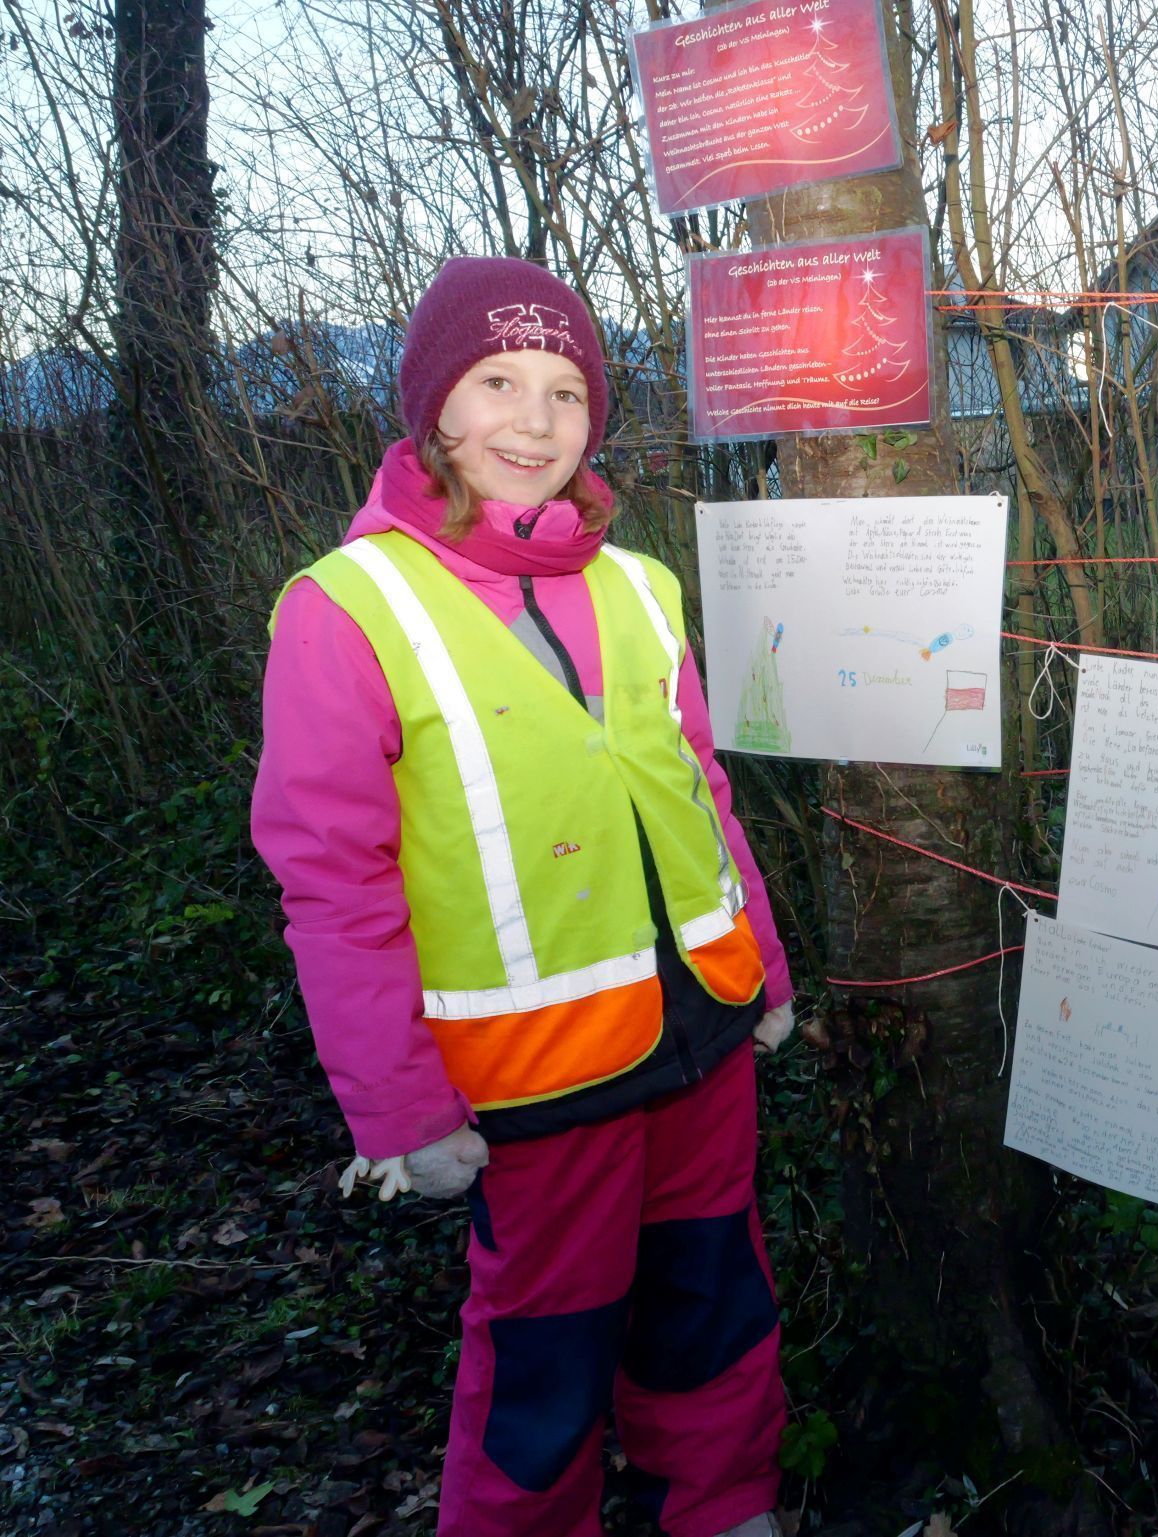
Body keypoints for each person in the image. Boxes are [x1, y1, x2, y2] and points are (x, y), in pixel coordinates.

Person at [252, 257, 792, 1537]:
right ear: (434, 405)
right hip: (534, 1080)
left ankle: (719, 1508)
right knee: (543, 1359)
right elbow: (333, 882)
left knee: (713, 1300)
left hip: (702, 1041)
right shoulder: (348, 609)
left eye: (563, 390)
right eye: (497, 382)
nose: (533, 422)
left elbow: (701, 794)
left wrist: (761, 970)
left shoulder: (640, 585)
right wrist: (396, 1110)